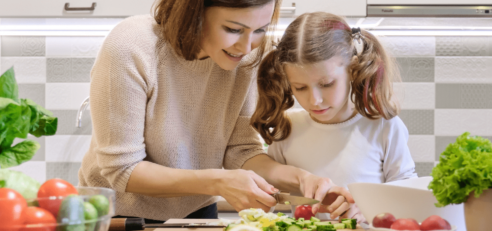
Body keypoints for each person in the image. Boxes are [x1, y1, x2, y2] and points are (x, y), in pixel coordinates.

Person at [78, 0, 356, 223]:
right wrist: (219, 181)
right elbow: (122, 170)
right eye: (234, 29)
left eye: (260, 30)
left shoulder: (247, 59)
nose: (247, 47)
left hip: (196, 214)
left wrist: (304, 179)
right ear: (194, 12)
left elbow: (241, 150)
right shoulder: (131, 48)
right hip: (117, 216)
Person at [251, 11, 418, 220]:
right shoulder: (287, 128)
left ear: (352, 70)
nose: (315, 100)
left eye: (327, 84)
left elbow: (408, 195)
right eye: (300, 87)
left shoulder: (384, 126)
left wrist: (369, 211)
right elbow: (273, 194)